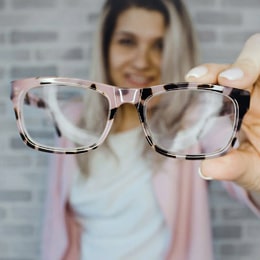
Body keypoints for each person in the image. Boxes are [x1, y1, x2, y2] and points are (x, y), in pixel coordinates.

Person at [40, 0, 260, 259]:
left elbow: (242, 164)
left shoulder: (194, 119)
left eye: (160, 45)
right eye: (127, 42)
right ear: (105, 46)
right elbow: (57, 231)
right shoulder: (72, 120)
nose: (142, 62)